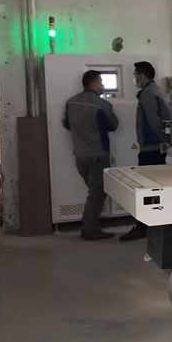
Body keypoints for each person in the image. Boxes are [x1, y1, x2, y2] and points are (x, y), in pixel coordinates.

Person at [63, 70, 119, 241]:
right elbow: (113, 125)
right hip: (97, 155)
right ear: (94, 83)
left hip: (80, 156)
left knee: (94, 192)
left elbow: (67, 124)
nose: (102, 86)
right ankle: (89, 230)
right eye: (101, 82)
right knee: (97, 193)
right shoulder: (102, 105)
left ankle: (90, 226)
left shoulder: (71, 102)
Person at [120, 61, 171, 242]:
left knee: (145, 189)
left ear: (142, 76)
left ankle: (142, 227)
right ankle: (153, 226)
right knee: (153, 188)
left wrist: (164, 141)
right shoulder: (157, 90)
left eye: (135, 75)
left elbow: (154, 121)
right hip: (156, 147)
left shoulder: (148, 93)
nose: (134, 78)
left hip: (151, 148)